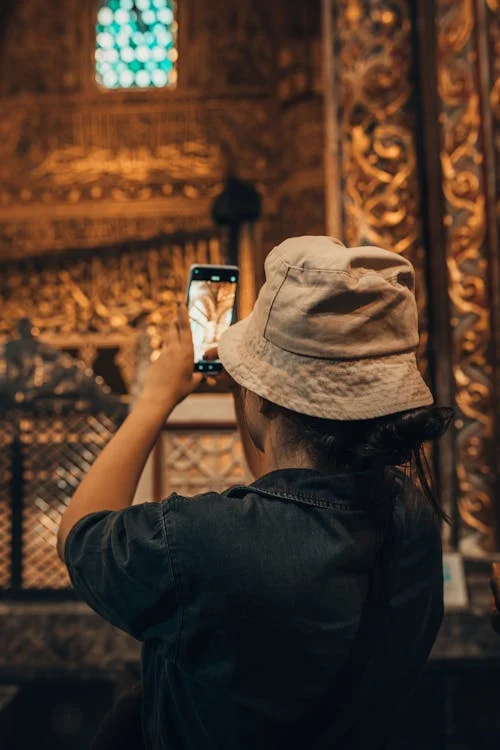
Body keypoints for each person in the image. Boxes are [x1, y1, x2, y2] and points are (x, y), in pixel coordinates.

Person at [58, 236, 452, 750]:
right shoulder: (413, 517)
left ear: (264, 400)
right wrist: (252, 385)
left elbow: (80, 536)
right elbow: (294, 488)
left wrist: (154, 400)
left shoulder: (200, 542)